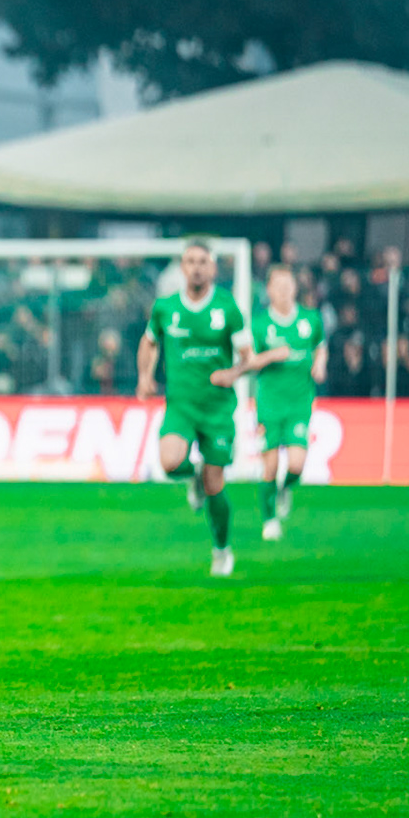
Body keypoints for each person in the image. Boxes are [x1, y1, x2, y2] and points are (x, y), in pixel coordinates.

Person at [137, 240, 251, 577]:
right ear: (182, 268)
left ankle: (221, 549)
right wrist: (145, 376)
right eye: (190, 261)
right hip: (181, 406)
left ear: (213, 268)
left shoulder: (227, 308)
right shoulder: (165, 308)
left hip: (217, 408)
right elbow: (149, 341)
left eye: (203, 261)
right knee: (170, 463)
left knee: (216, 484)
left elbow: (248, 358)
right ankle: (193, 478)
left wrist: (232, 373)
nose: (197, 267)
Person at [245, 265, 326, 541]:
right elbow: (250, 361)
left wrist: (320, 364)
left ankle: (285, 488)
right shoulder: (259, 324)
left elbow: (320, 345)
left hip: (300, 402)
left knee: (296, 465)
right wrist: (271, 355)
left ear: (295, 286)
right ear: (268, 290)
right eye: (277, 285)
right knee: (269, 466)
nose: (283, 289)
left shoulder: (310, 319)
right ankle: (269, 520)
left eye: (287, 284)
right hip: (269, 404)